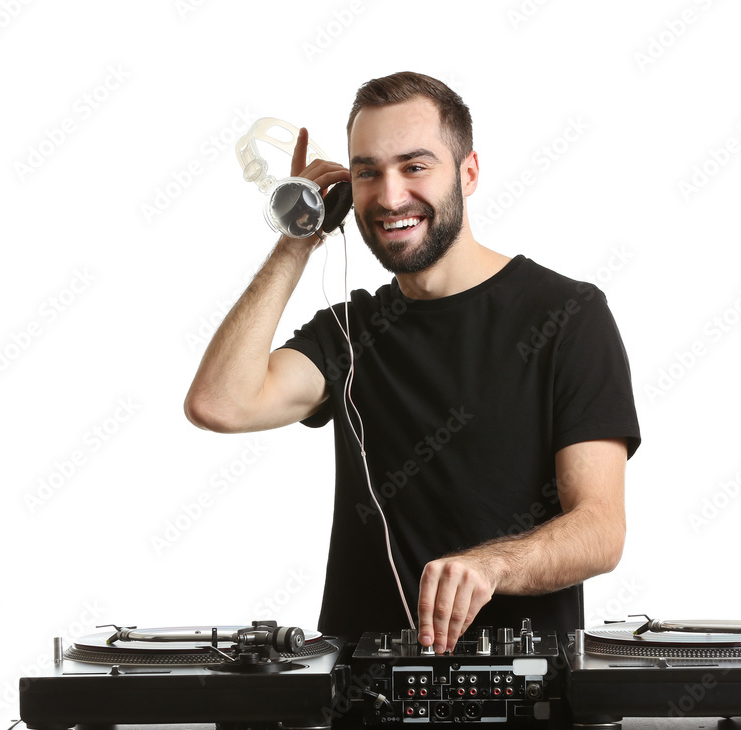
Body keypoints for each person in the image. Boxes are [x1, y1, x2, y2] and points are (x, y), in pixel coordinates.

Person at [184, 71, 640, 654]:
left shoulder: (568, 315)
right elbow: (218, 403)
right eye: (368, 171)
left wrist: (493, 565)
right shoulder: (349, 330)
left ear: (468, 172)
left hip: (527, 692)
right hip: (362, 696)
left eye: (415, 166)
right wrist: (298, 237)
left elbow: (601, 529)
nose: (391, 196)